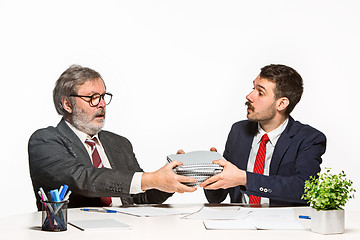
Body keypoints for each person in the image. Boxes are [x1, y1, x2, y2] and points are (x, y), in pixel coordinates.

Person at [29, 65, 197, 210]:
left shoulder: (119, 143)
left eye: (103, 96)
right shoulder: (45, 140)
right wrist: (151, 178)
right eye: (92, 98)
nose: (101, 104)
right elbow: (83, 179)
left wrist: (170, 179)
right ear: (67, 104)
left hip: (128, 229)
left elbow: (139, 196)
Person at [199, 64, 326, 206]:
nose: (249, 96)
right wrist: (213, 172)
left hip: (284, 224)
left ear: (281, 103)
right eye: (253, 88)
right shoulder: (238, 131)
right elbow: (216, 199)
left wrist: (245, 179)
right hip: (239, 221)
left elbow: (304, 190)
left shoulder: (309, 138)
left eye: (260, 92)